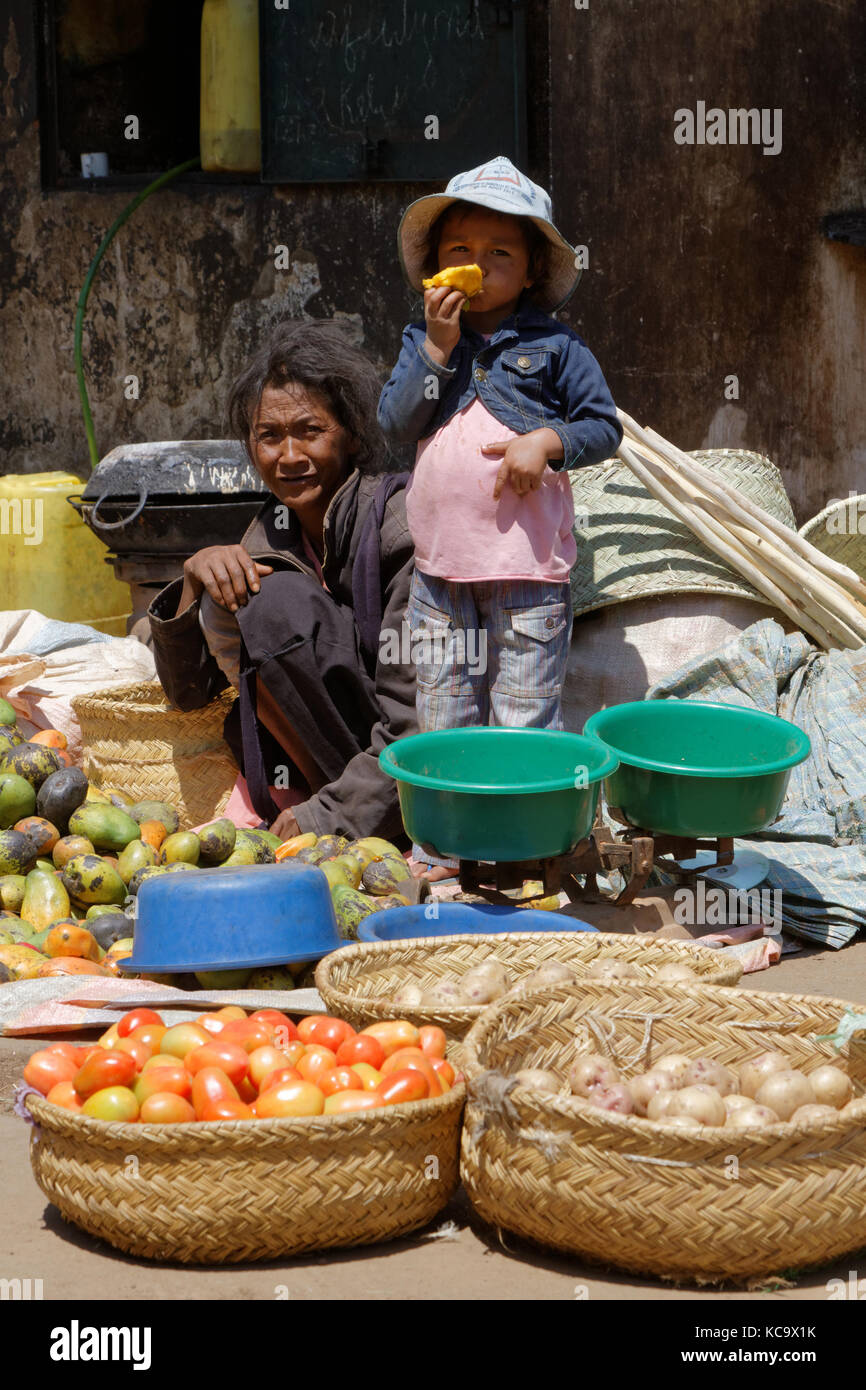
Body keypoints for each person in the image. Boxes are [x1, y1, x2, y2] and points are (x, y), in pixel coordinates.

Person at [378, 154, 622, 734]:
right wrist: (438, 347)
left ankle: (520, 824)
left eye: (499, 253)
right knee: (444, 721)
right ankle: (449, 827)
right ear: (436, 263)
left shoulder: (558, 346)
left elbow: (604, 427)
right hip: (439, 576)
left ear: (533, 270)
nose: (477, 265)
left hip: (528, 576)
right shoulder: (424, 338)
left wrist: (546, 440)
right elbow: (396, 423)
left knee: (523, 723)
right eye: (459, 250)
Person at [148, 320, 417, 843]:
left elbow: (417, 720)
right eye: (269, 436)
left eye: (310, 431)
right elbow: (189, 697)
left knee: (272, 599)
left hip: (406, 782)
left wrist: (329, 817)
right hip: (332, 774)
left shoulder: (398, 527)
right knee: (251, 590)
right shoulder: (267, 537)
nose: (288, 456)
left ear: (353, 434)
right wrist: (193, 580)